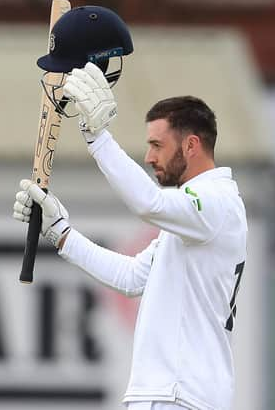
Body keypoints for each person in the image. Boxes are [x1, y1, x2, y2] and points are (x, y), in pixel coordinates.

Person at [14, 66, 247, 410]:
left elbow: (147, 202)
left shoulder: (215, 202)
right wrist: (61, 233)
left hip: (181, 395)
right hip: (168, 394)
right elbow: (132, 277)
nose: (149, 157)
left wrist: (98, 139)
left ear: (191, 145)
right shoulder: (194, 215)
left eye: (157, 145)